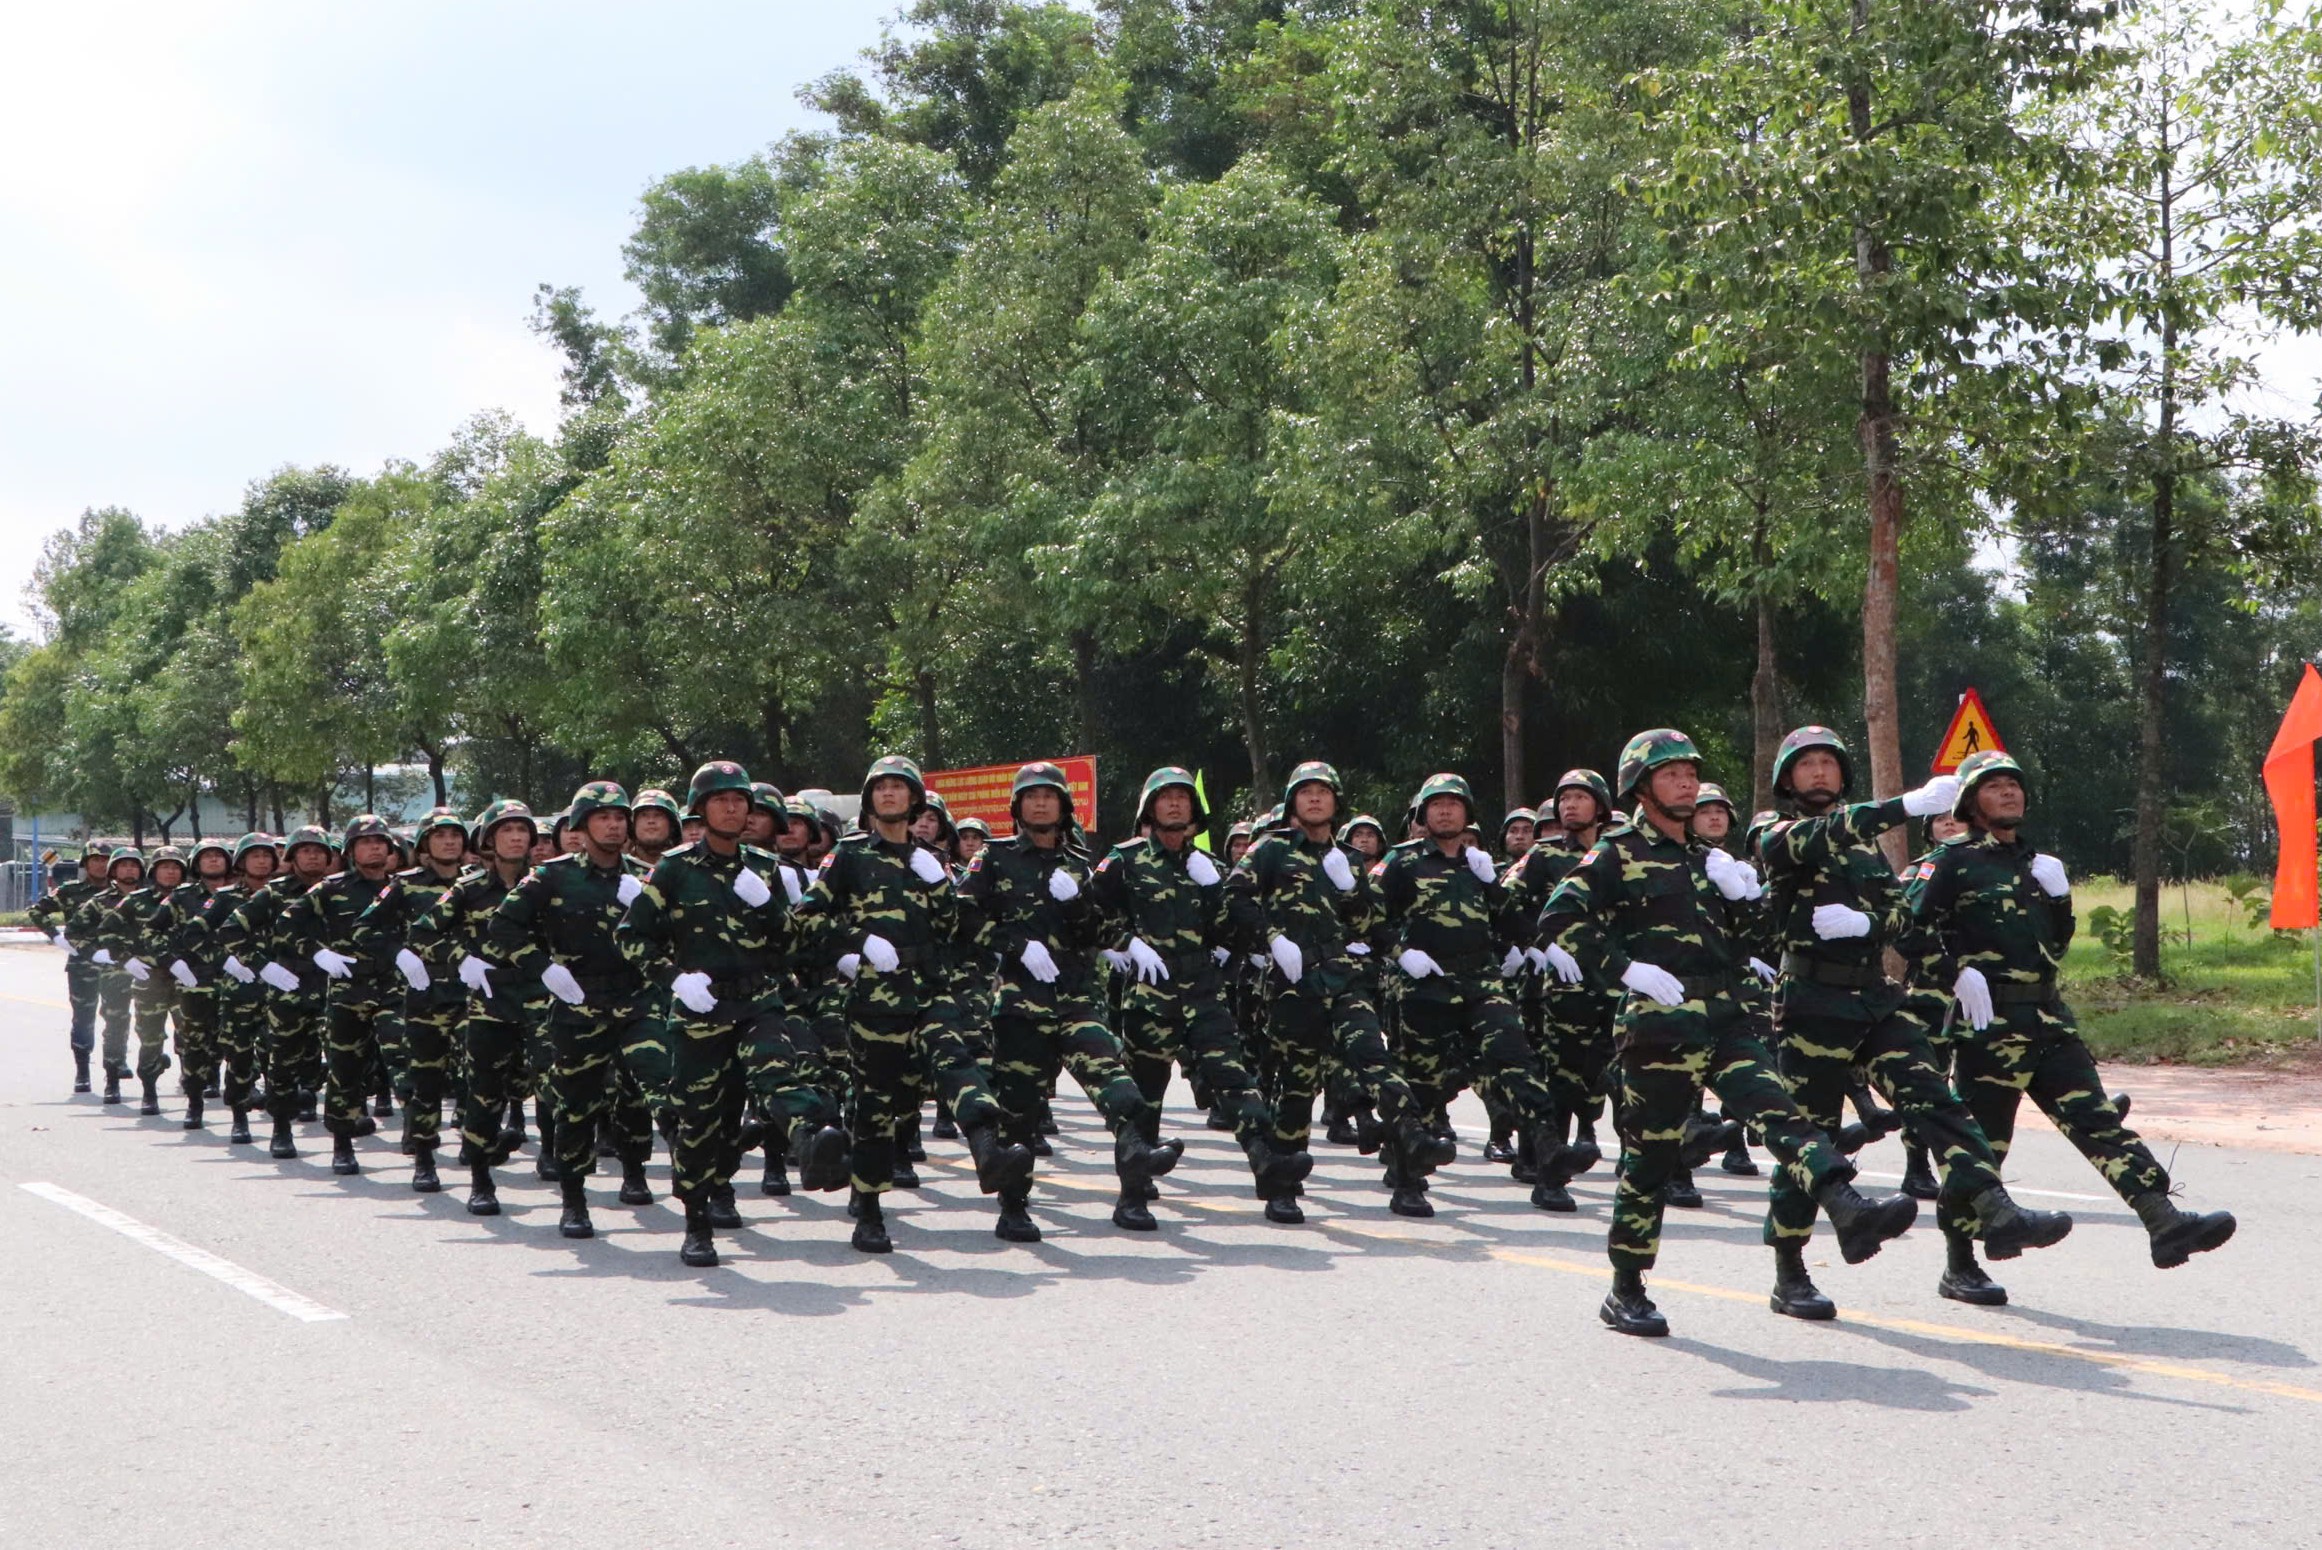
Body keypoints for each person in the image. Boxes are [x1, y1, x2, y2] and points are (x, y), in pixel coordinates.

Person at [1540, 729, 1918, 1337]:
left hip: (1725, 1019)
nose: (1686, 782)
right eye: (1670, 774)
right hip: (1658, 1027)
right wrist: (1625, 969)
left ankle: (1847, 1207)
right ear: (1640, 788)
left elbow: (1755, 939)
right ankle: (1626, 1287)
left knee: (1783, 1116)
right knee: (1651, 1161)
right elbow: (1558, 918)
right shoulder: (1616, 853)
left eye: (1690, 772)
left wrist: (1744, 896)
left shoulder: (1705, 858)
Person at [1752, 729, 2071, 1318]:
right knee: (1813, 1137)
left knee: (1937, 1101)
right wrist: (1903, 806)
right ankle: (1791, 1271)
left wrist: (1929, 957)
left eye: (1828, 763)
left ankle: (1995, 1208)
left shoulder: (1868, 849)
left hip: (1874, 996)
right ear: (1787, 779)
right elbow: (1804, 840)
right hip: (1810, 1000)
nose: (1819, 773)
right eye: (1807, 765)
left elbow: (1901, 916)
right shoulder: (1774, 828)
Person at [1913, 749, 2235, 1293]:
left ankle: (2164, 1221)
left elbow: (2055, 945)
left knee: (2099, 1121)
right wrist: (1954, 974)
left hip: (2047, 1017)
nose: (2009, 792)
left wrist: (2060, 900)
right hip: (1988, 1023)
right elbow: (1907, 929)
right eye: (1993, 786)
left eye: (2014, 784)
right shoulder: (1950, 862)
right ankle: (1960, 1263)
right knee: (1983, 1147)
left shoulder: (2038, 864)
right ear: (1971, 803)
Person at [790, 756, 1031, 1250]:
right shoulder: (849, 856)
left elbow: (950, 928)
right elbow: (807, 919)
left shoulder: (929, 860)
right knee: (878, 1105)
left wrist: (941, 886)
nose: (891, 795)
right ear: (869, 799)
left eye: (900, 788)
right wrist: (856, 942)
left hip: (928, 991)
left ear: (916, 799)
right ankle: (871, 1211)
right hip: (875, 999)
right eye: (882, 788)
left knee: (957, 1061)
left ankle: (988, 1149)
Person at [619, 761, 848, 1264]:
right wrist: (673, 978)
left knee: (776, 1069)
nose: (731, 808)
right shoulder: (674, 868)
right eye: (721, 800)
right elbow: (632, 936)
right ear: (700, 810)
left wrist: (768, 904)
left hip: (757, 1000)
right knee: (702, 1123)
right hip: (700, 1008)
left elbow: (790, 943)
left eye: (740, 801)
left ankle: (812, 1139)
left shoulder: (765, 869)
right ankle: (697, 1221)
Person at [959, 761, 1182, 1239]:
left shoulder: (1080, 864)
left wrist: (1079, 903)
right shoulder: (993, 859)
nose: (1041, 803)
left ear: (1064, 807)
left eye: (1050, 796)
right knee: (1018, 1116)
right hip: (1020, 1004)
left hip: (1077, 1001)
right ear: (1017, 807)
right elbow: (963, 918)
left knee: (1124, 1093)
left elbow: (1095, 929)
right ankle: (1013, 1208)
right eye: (1031, 796)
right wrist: (1016, 944)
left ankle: (1133, 1194)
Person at [1225, 760, 1449, 1224]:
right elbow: (1235, 897)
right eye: (1305, 792)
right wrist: (1271, 939)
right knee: (1297, 1083)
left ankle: (1413, 1142)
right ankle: (1284, 1183)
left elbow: (1368, 923)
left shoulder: (1347, 858)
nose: (1313, 798)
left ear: (1335, 802)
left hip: (1343, 977)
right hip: (1292, 982)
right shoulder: (1270, 850)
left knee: (1373, 1056)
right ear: (1292, 803)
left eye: (1322, 792)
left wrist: (1351, 890)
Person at [1089, 767, 1313, 1225]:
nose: (1174, 804)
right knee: (1144, 1093)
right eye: (1165, 797)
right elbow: (1088, 913)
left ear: (1194, 811)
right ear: (1150, 809)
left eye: (1182, 798)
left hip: (1204, 990)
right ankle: (1133, 1192)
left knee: (1234, 1079)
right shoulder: (1125, 860)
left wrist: (1215, 891)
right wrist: (1124, 942)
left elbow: (1233, 931)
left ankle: (1269, 1167)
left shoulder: (1210, 868)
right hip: (1151, 990)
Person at [1373, 772, 1573, 1216]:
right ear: (1423, 814)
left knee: (1517, 1059)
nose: (1445, 811)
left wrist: (1542, 946)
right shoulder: (1403, 862)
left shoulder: (1480, 865)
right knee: (1422, 1083)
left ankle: (1550, 1164)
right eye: (1437, 804)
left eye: (1454, 804)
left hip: (1482, 981)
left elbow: (1507, 918)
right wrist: (1401, 952)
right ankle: (1407, 1179)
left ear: (1468, 814)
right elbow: (1368, 918)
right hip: (1425, 984)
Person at [487, 782, 659, 1238]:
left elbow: (675, 933)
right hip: (576, 1002)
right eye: (602, 817)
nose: (613, 824)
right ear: (581, 827)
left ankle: (637, 1171)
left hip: (635, 1000)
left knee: (644, 1089)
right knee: (577, 1104)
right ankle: (574, 1199)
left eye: (619, 816)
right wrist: (542, 968)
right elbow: (503, 927)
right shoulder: (552, 876)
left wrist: (645, 906)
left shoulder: (645, 875)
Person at [1496, 769, 1621, 1209]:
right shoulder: (1542, 857)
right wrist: (1537, 944)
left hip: (1620, 983)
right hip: (1565, 986)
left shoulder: (1620, 853)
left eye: (1579, 798)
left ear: (1600, 807)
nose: (1569, 805)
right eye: (1563, 798)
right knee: (1561, 1077)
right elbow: (1503, 902)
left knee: (1610, 1075)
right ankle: (1549, 1172)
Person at [409, 800, 536, 1215]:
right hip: (489, 1002)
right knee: (484, 1092)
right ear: (489, 841)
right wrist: (461, 956)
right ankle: (481, 1179)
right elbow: (424, 931)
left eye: (522, 829)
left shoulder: (547, 885)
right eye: (506, 830)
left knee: (543, 1086)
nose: (516, 836)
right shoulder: (470, 889)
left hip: (542, 1000)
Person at [351, 807, 473, 1192]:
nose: (450, 841)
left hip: (474, 994)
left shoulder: (479, 882)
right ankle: (424, 1156)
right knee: (426, 1079)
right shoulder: (404, 885)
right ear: (424, 845)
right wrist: (398, 954)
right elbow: (364, 928)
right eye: (440, 835)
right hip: (425, 996)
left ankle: (476, 1143)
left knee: (481, 1073)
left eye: (455, 835)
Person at [281, 816, 402, 1177]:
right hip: (349, 991)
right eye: (366, 843)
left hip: (393, 990)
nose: (375, 847)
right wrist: (317, 953)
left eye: (381, 841)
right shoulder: (331, 889)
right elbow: (287, 923)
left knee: (406, 1063)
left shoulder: (402, 889)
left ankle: (420, 1146)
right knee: (344, 1070)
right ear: (350, 852)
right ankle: (343, 1145)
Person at [29, 846, 110, 1093]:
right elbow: (36, 910)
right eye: (95, 860)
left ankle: (115, 1068)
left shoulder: (124, 891)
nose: (101, 865)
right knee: (83, 1019)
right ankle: (83, 1071)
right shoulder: (71, 891)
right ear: (86, 863)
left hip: (117, 963)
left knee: (118, 1018)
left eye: (106, 860)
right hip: (82, 964)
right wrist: (55, 936)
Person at [74, 847, 150, 1107]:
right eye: (123, 865)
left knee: (155, 1026)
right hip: (115, 971)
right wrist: (94, 953)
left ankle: (169, 1079)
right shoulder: (99, 901)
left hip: (152, 971)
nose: (130, 870)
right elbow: (75, 931)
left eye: (134, 865)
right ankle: (112, 1077)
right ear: (114, 870)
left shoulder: (153, 898)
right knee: (116, 1025)